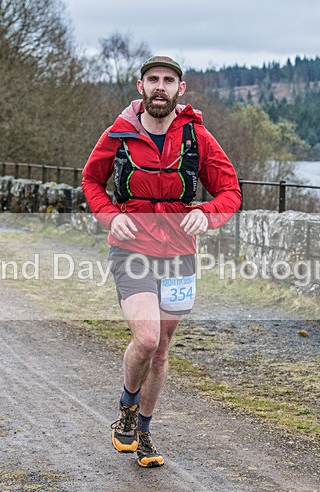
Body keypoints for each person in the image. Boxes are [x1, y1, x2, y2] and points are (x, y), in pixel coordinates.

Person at [82, 55, 241, 468]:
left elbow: (230, 191)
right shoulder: (118, 134)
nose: (160, 86)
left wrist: (206, 213)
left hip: (179, 253)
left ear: (180, 90)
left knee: (163, 348)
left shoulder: (197, 138)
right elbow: (91, 180)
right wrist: (111, 217)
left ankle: (146, 432)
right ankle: (127, 408)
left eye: (168, 80)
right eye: (152, 79)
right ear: (140, 87)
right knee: (148, 338)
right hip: (132, 248)